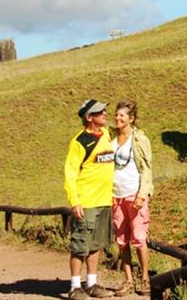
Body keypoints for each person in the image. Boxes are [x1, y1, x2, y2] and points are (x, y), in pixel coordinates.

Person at [64, 99, 116, 299]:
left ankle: (92, 283)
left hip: (104, 201)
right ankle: (74, 287)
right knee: (80, 246)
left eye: (104, 109)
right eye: (100, 111)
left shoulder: (106, 134)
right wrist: (74, 201)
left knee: (97, 244)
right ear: (89, 117)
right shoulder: (80, 142)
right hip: (86, 202)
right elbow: (70, 172)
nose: (105, 113)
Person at [111, 99, 154, 297]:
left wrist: (142, 195)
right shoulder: (110, 138)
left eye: (122, 115)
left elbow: (146, 169)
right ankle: (128, 279)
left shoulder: (139, 139)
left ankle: (144, 277)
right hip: (116, 196)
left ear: (131, 119)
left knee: (138, 237)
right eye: (117, 114)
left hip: (134, 195)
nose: (118, 118)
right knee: (121, 240)